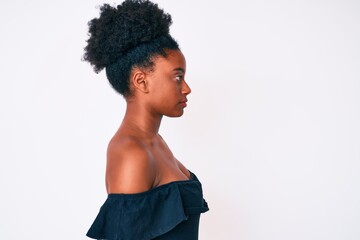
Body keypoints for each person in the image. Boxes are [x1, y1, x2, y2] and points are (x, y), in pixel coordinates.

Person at [83, 0, 209, 239]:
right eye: (177, 77)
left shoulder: (155, 142)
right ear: (141, 81)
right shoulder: (131, 152)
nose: (187, 88)